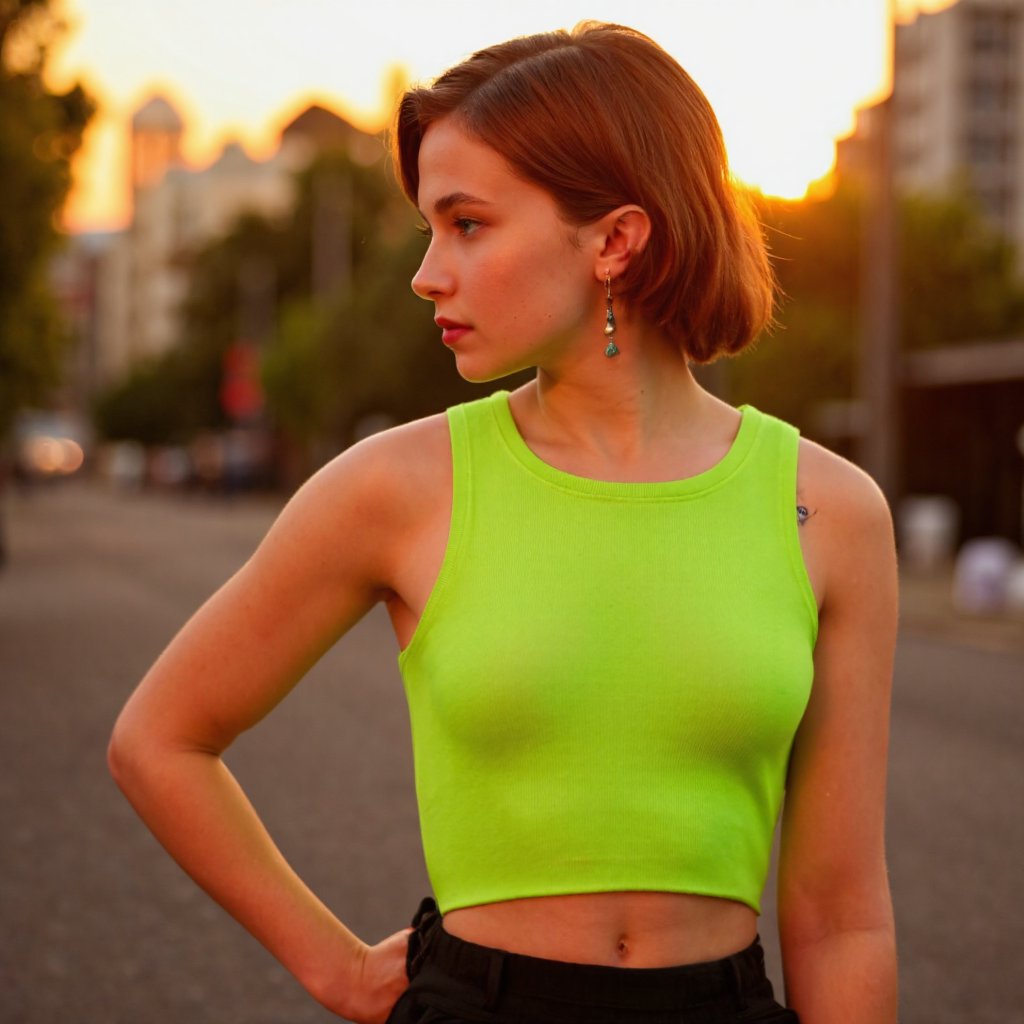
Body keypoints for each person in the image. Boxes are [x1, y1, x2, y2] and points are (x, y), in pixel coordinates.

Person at [108, 21, 898, 1024]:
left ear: (614, 239)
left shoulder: (829, 511)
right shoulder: (395, 486)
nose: (426, 272)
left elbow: (839, 913)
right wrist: (337, 968)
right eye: (430, 228)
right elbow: (160, 738)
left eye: (467, 224)